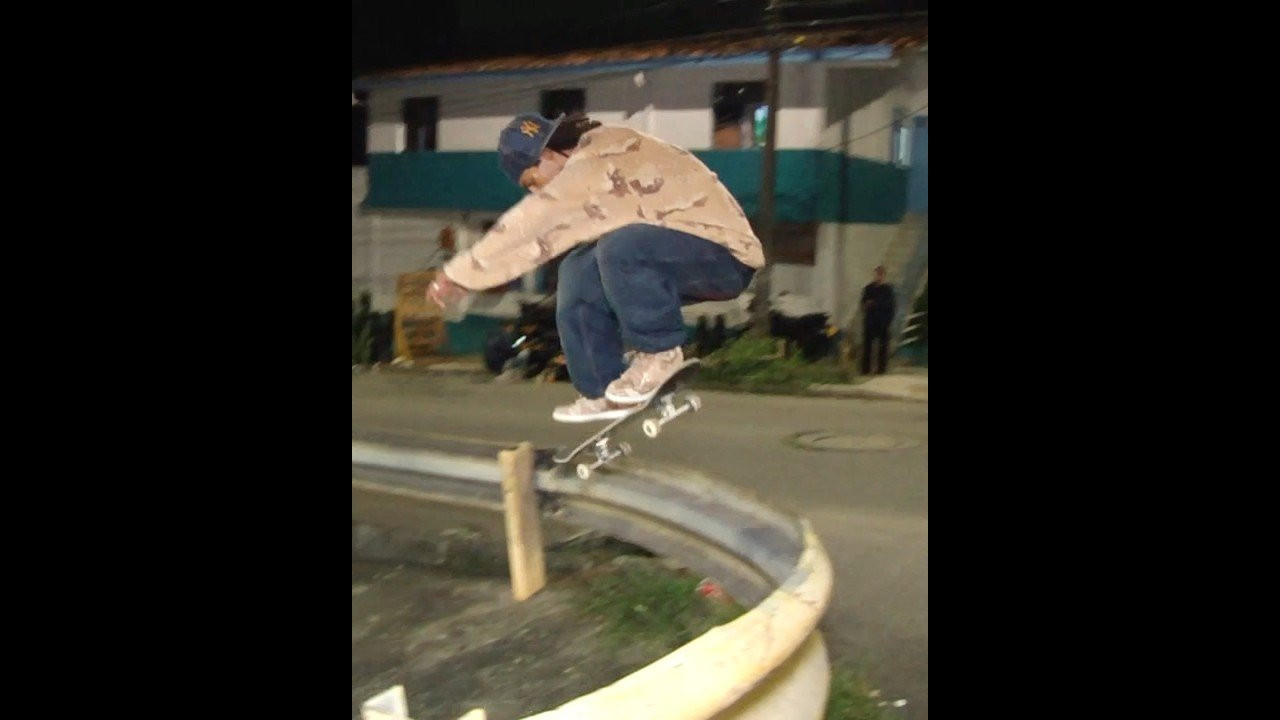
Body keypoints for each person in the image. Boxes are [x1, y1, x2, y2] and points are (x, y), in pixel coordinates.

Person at [428, 112, 764, 422]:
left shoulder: (600, 153)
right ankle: (603, 389)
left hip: (725, 257)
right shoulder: (583, 171)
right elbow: (541, 242)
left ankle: (659, 355)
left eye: (532, 181)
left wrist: (459, 273)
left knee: (622, 247)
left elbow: (533, 222)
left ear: (548, 156)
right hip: (672, 254)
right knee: (578, 267)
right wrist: (472, 278)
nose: (537, 190)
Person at [859, 265, 896, 375]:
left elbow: (890, 306)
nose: (878, 277)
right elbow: (864, 303)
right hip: (870, 320)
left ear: (884, 276)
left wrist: (876, 305)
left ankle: (881, 369)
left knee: (883, 347)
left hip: (883, 322)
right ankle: (865, 369)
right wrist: (868, 305)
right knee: (867, 346)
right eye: (876, 275)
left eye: (880, 275)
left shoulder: (888, 290)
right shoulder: (868, 288)